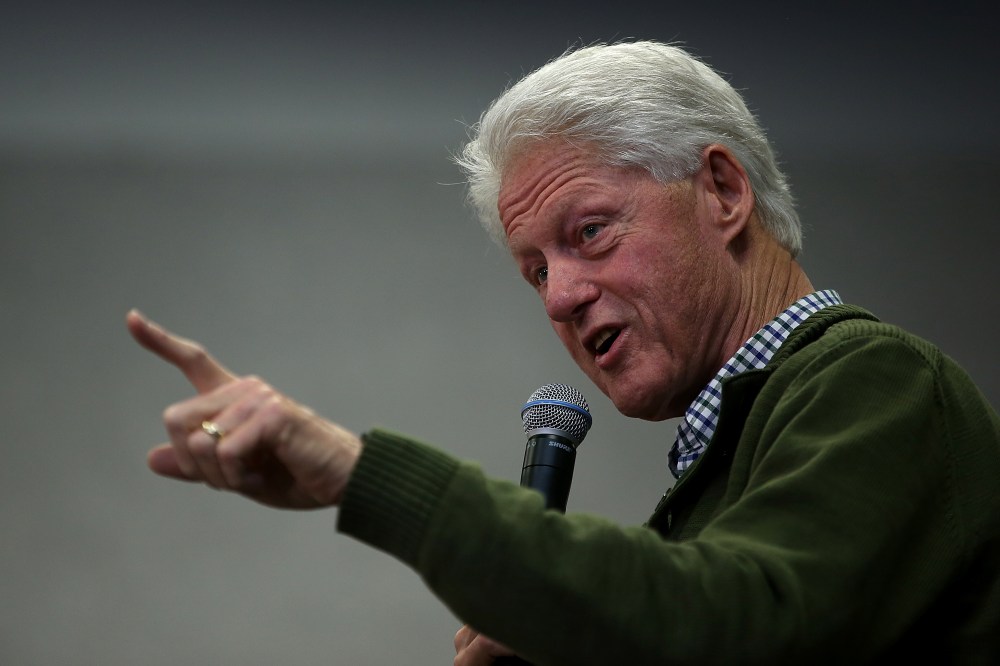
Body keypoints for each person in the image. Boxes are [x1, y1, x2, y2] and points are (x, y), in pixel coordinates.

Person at [127, 41, 1000, 664]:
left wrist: (361, 475)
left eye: (590, 232)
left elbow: (740, 625)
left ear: (723, 191)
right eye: (536, 270)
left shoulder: (880, 383)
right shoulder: (734, 453)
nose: (559, 296)